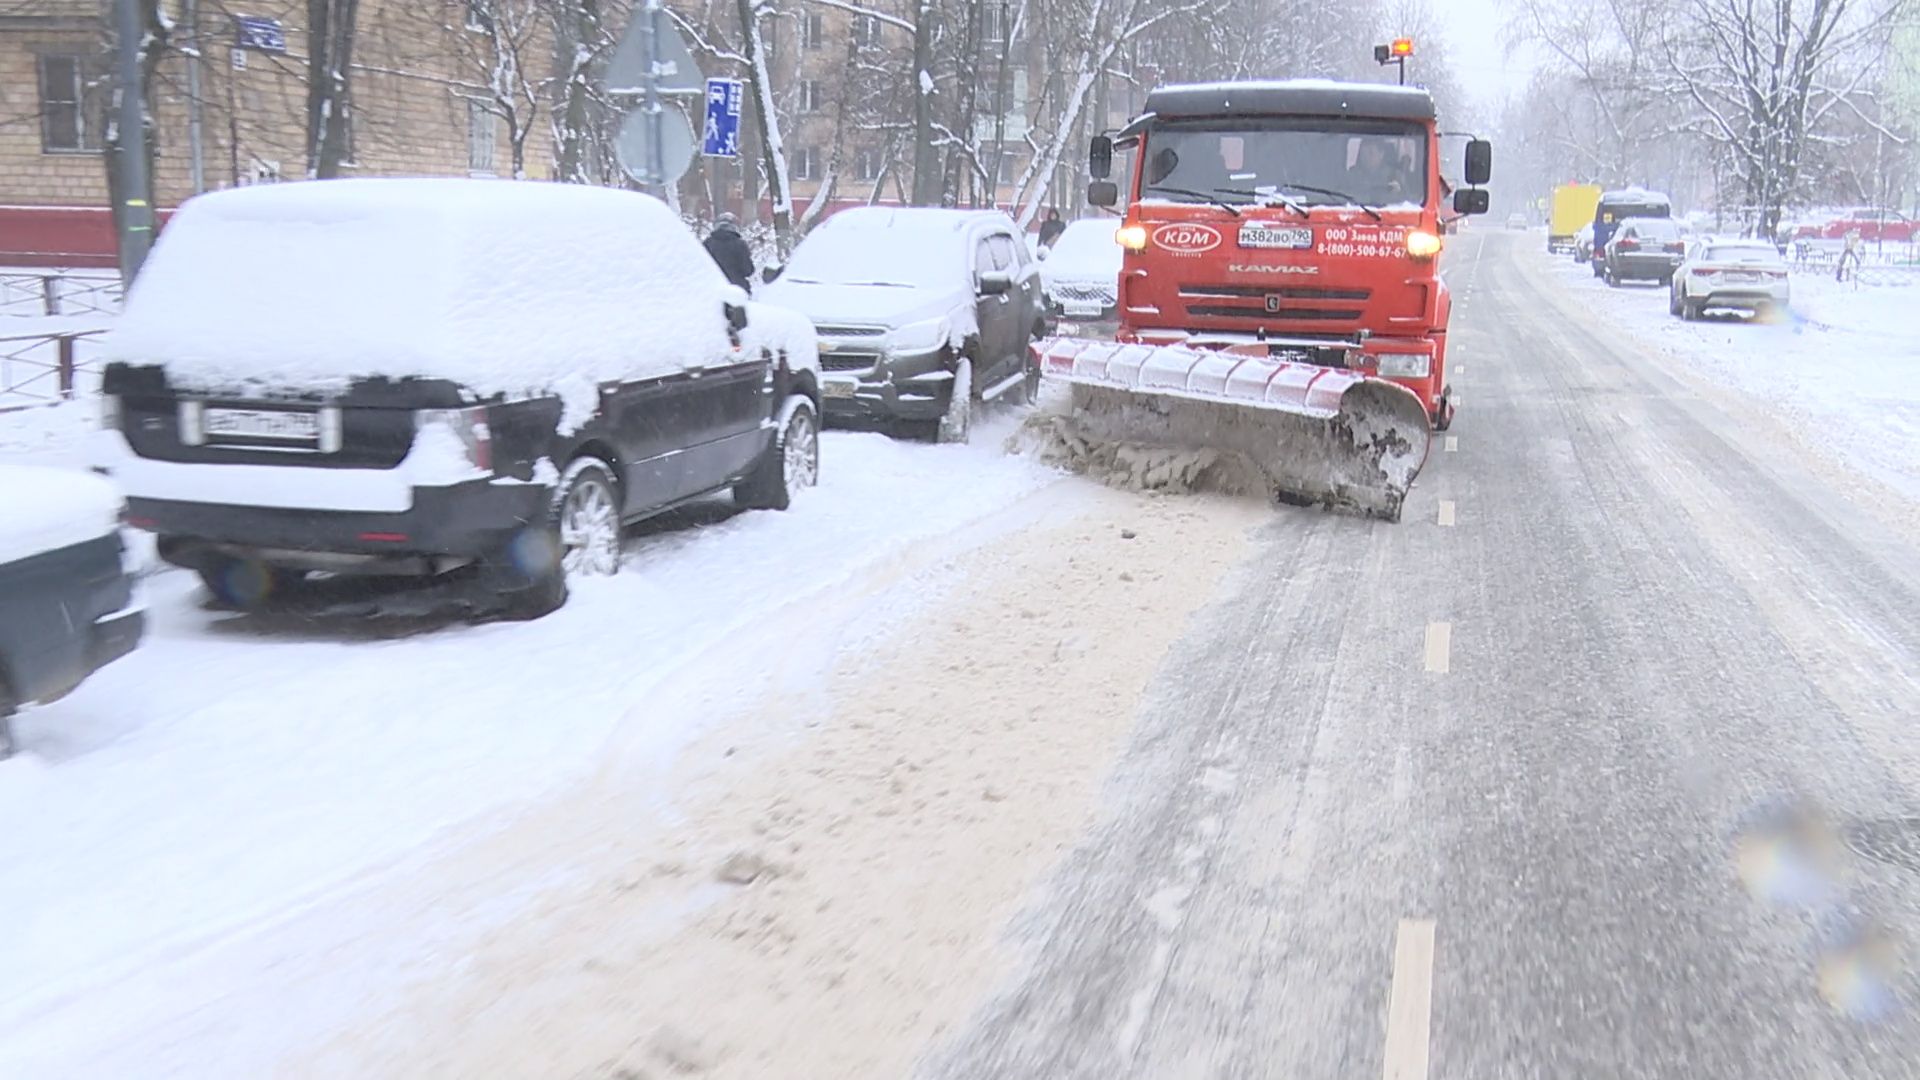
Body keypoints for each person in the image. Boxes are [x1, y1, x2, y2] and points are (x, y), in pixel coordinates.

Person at [703, 212, 755, 292]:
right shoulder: (740, 244)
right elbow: (748, 270)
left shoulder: (707, 244)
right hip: (737, 289)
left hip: (713, 288)